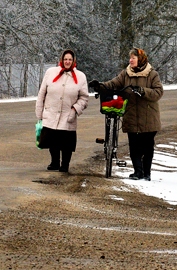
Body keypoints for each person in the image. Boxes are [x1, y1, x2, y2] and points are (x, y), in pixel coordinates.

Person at [90, 48, 163, 181]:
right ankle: (138, 171)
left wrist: (143, 91)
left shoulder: (152, 74)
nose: (130, 60)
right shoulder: (126, 74)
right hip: (131, 116)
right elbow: (113, 84)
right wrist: (99, 86)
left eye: (133, 58)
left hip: (148, 117)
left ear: (141, 59)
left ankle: (146, 173)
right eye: (130, 58)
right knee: (134, 146)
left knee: (147, 146)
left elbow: (158, 92)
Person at [35, 49, 89, 173]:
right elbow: (42, 93)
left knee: (66, 141)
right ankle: (54, 162)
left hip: (68, 114)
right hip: (51, 112)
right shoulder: (51, 72)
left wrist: (75, 109)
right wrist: (40, 111)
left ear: (73, 61)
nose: (67, 62)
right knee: (52, 138)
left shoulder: (80, 76)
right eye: (65, 59)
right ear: (61, 60)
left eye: (70, 59)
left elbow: (84, 98)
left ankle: (65, 165)